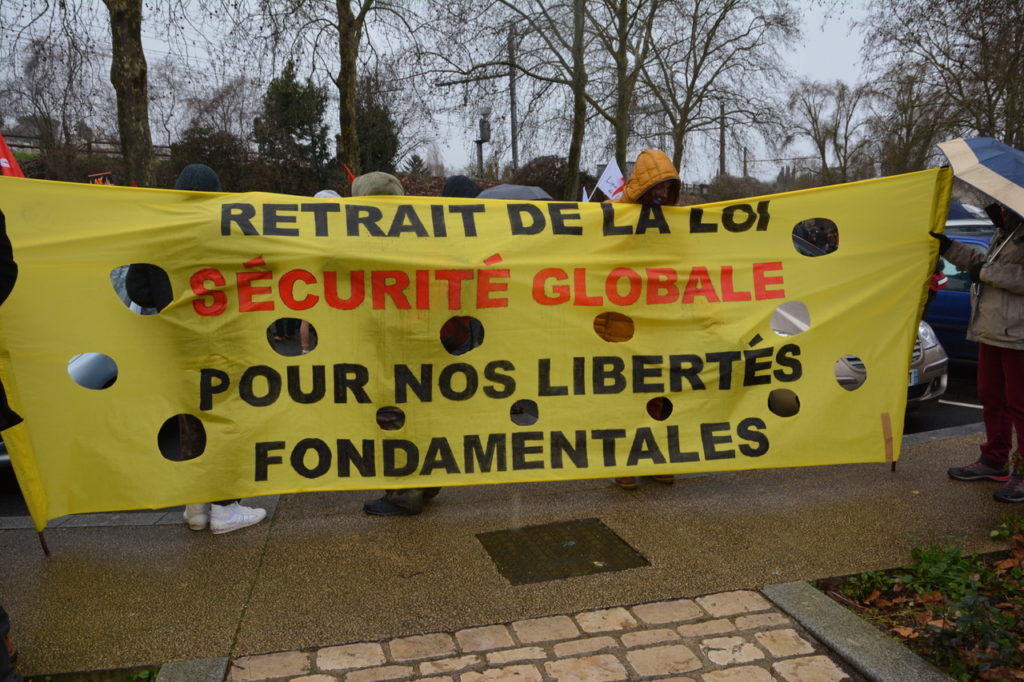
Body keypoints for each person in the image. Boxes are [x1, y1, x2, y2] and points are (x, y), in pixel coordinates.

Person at [127, 164, 267, 532]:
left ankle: (196, 506)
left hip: (177, 344)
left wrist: (168, 298)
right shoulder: (231, 232)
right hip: (224, 339)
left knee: (191, 420)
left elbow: (138, 291)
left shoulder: (156, 232)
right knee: (228, 417)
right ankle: (225, 507)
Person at [350, 172, 443, 516]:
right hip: (424, 338)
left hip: (388, 342)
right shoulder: (425, 238)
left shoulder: (361, 244)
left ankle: (404, 494)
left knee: (392, 415)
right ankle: (427, 481)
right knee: (421, 410)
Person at [935, 202, 1024, 502]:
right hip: (992, 328)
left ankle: (1022, 472)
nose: (999, 208)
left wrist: (984, 271)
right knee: (991, 397)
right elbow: (982, 263)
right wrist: (948, 247)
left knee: (1020, 405)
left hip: (1018, 335)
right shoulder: (1007, 232)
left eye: (1004, 205)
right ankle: (994, 459)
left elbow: (999, 273)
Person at [606, 150, 681, 490]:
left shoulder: (674, 223)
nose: (662, 194)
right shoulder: (610, 216)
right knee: (625, 395)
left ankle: (656, 457)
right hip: (620, 321)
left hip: (657, 321)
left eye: (667, 187)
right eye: (657, 187)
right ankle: (624, 463)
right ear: (643, 186)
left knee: (658, 392)